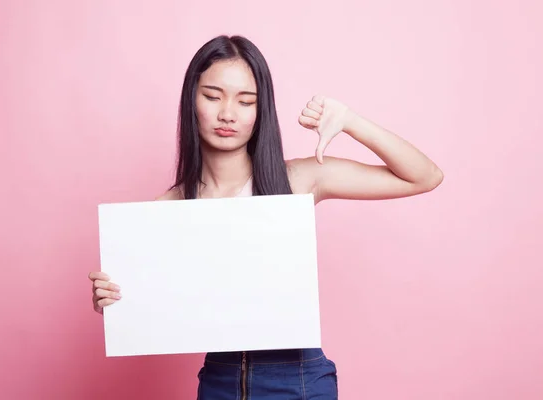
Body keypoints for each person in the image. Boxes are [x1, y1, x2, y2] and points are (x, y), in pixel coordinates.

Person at [87, 34, 443, 399]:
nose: (227, 113)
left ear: (262, 111)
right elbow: (150, 309)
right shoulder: (168, 208)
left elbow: (425, 176)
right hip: (219, 382)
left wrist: (350, 121)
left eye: (246, 101)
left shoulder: (300, 179)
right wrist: (114, 302)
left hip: (298, 379)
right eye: (212, 96)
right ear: (191, 100)